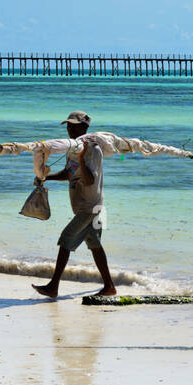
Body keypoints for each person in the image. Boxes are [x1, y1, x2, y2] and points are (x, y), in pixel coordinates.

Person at [33, 110, 115, 299]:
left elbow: (89, 180)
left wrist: (81, 157)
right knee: (95, 245)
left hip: (90, 207)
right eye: (68, 125)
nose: (69, 129)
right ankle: (109, 286)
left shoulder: (92, 150)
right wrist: (46, 177)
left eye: (74, 126)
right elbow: (69, 173)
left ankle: (53, 286)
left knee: (66, 240)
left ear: (85, 127)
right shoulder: (74, 148)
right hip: (88, 206)